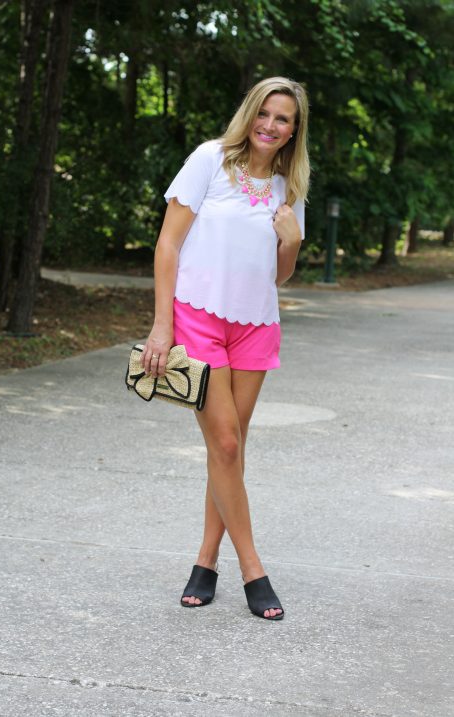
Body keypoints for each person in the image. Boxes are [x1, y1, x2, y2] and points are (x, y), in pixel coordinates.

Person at [141, 76, 310, 620]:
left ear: (293, 131)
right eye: (265, 113)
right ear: (250, 113)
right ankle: (254, 570)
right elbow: (168, 243)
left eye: (283, 118)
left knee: (227, 448)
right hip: (197, 318)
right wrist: (161, 326)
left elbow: (279, 275)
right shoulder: (209, 160)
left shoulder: (290, 187)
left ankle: (205, 561)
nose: (270, 125)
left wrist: (291, 239)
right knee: (228, 445)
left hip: (256, 324)